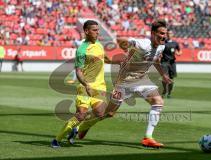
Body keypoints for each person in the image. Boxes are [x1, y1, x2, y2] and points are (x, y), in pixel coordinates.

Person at [69, 20, 172, 148]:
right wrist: (125, 47)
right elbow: (120, 40)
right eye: (161, 33)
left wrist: (164, 75)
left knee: (158, 102)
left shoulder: (161, 46)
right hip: (124, 82)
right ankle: (85, 125)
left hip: (142, 80)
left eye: (165, 34)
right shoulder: (142, 44)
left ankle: (148, 138)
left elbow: (155, 60)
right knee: (108, 114)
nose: (163, 36)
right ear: (152, 33)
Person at [51, 20, 111, 148]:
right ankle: (57, 139)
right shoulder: (82, 50)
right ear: (86, 31)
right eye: (94, 30)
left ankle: (79, 129)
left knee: (101, 114)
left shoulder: (99, 45)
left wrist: (115, 62)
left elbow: (102, 58)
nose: (97, 32)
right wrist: (86, 84)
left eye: (98, 29)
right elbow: (78, 71)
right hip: (85, 87)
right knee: (80, 115)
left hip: (100, 86)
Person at [161, 29, 181, 98]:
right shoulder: (163, 43)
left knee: (171, 80)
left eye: (171, 33)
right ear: (166, 34)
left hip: (172, 63)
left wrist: (178, 53)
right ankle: (164, 90)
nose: (169, 35)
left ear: (173, 34)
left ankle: (169, 93)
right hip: (164, 62)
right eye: (168, 33)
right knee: (164, 78)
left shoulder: (175, 43)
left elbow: (179, 51)